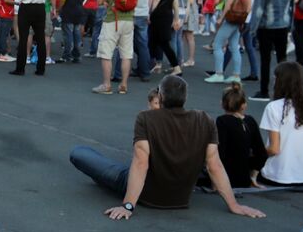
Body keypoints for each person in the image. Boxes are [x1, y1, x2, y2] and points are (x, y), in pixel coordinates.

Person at [69, 75, 266, 219]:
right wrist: (234, 205)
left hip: (146, 193)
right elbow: (215, 165)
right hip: (180, 197)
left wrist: (128, 206)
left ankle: (109, 180)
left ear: (160, 97)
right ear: (185, 98)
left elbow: (140, 164)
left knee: (80, 154)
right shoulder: (204, 119)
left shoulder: (146, 118)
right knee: (111, 170)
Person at [258, 62, 303, 186]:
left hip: (276, 176)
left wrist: (255, 153)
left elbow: (274, 149)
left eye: (276, 79)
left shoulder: (274, 107)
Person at [93, 0, 138, 95]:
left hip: (113, 20)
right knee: (126, 54)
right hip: (129, 19)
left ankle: (106, 85)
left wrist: (107, 2)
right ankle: (123, 84)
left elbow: (99, 1)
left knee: (106, 53)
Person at [252, 0, 295, 102]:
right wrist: (291, 26)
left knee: (265, 59)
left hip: (266, 26)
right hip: (283, 25)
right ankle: (284, 91)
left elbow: (258, 9)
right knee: (282, 59)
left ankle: (264, 91)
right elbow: (291, 8)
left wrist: (252, 28)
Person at [214, 83, 266, 189]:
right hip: (244, 178)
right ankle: (252, 178)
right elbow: (261, 153)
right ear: (244, 105)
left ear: (222, 104)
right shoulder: (250, 120)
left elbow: (220, 152)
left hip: (226, 177)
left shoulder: (222, 121)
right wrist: (253, 175)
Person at [206, 0, 248, 84]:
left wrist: (221, 18)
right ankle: (236, 75)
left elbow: (228, 2)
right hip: (238, 19)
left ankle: (219, 73)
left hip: (230, 18)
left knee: (217, 45)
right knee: (234, 47)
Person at [11, 0, 52, 76]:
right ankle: (41, 69)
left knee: (23, 38)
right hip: (40, 7)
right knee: (40, 38)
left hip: (26, 7)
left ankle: (20, 68)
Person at [147, 0, 180, 74]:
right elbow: (176, 6)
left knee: (160, 43)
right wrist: (176, 19)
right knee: (158, 42)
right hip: (167, 17)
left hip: (158, 19)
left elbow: (154, 5)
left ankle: (176, 67)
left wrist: (148, 15)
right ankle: (157, 64)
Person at [59, 0, 87, 64]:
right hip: (79, 10)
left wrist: (59, 8)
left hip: (69, 11)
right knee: (76, 33)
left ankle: (67, 55)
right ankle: (77, 55)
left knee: (68, 34)